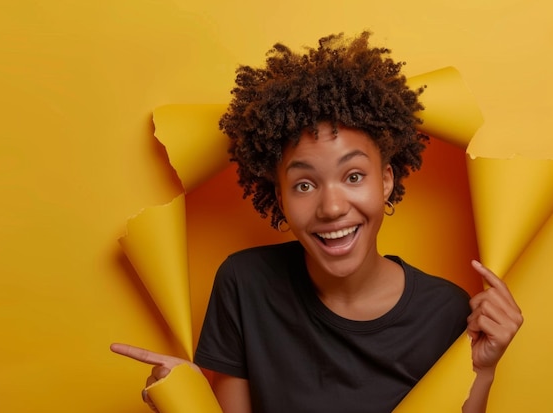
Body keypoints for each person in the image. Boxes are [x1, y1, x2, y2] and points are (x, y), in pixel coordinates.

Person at [111, 31, 523, 413]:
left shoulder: (446, 311)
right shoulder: (245, 283)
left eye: (354, 176)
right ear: (279, 198)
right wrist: (185, 400)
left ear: (386, 180)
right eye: (304, 185)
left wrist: (483, 371)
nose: (331, 207)